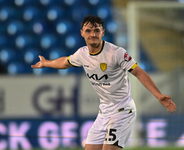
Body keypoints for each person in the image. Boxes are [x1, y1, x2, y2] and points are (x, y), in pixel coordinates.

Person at [31, 15, 176, 150]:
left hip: (123, 111)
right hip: (104, 112)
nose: (92, 34)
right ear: (82, 33)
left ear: (103, 32)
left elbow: (139, 72)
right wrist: (46, 63)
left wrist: (158, 95)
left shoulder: (116, 53)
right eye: (88, 31)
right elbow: (65, 62)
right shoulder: (82, 54)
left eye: (96, 30)